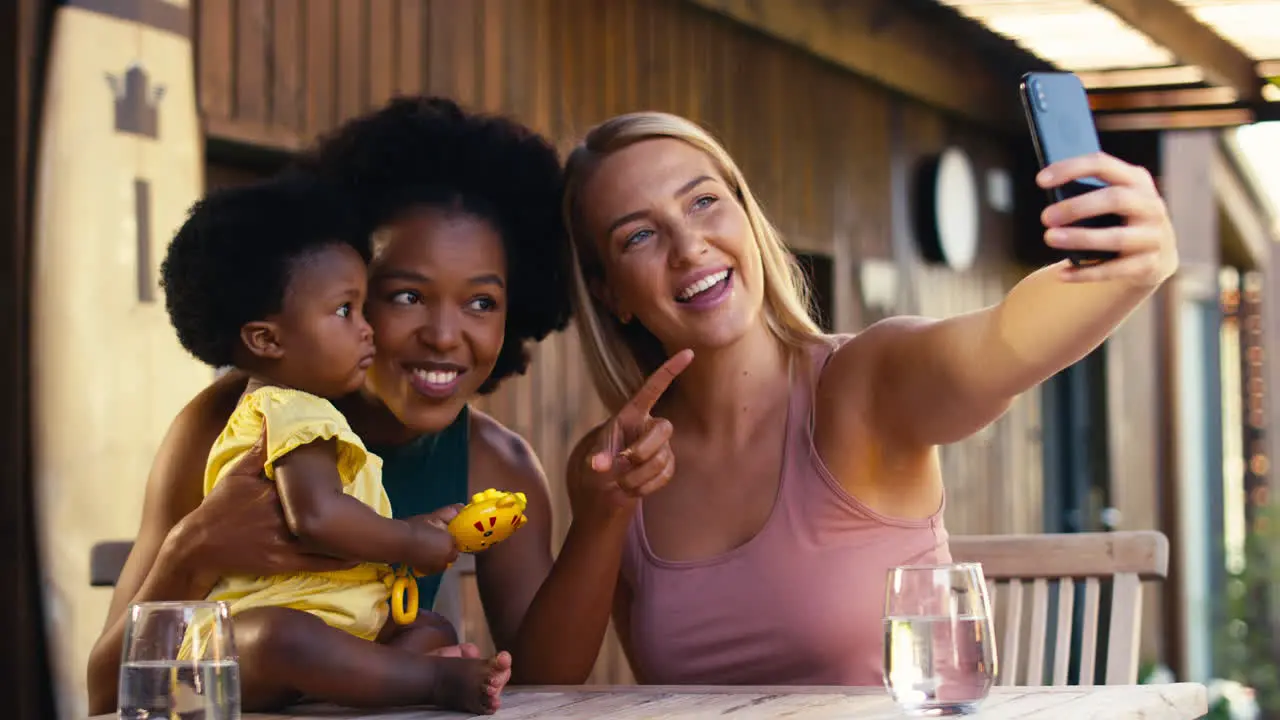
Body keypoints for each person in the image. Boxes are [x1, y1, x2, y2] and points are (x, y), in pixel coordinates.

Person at [531, 111, 1179, 686]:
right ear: (609, 290)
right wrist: (600, 520)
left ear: (746, 214)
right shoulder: (616, 464)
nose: (688, 245)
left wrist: (1128, 267)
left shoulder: (865, 382)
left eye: (703, 202)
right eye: (637, 236)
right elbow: (543, 688)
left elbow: (1001, 346)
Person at [85, 96, 571, 714]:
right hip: (254, 661)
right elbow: (106, 693)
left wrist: (607, 510)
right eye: (404, 296)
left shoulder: (496, 463)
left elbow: (553, 681)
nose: (446, 336)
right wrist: (194, 548)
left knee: (435, 636)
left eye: (481, 303)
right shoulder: (224, 423)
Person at [157, 173, 510, 713]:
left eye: (367, 308)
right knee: (283, 639)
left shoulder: (311, 410)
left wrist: (421, 530)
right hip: (256, 638)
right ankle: (430, 683)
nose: (366, 328)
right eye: (346, 311)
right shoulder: (287, 408)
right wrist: (409, 541)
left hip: (329, 624)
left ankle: (361, 684)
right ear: (267, 339)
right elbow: (316, 516)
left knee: (428, 626)